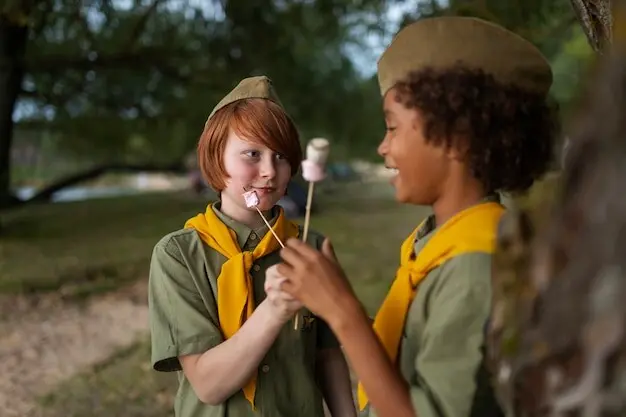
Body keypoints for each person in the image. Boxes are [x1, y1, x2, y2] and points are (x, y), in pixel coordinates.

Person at [274, 17, 558, 417]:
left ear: (455, 138)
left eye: (392, 127)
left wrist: (343, 312)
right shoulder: (438, 243)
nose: (382, 146)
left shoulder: (475, 268)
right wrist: (328, 299)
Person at [148, 76, 355, 417]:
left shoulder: (311, 246)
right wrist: (274, 310)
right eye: (252, 154)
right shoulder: (178, 255)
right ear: (216, 157)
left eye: (281, 156)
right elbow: (208, 386)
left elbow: (327, 355)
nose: (270, 171)